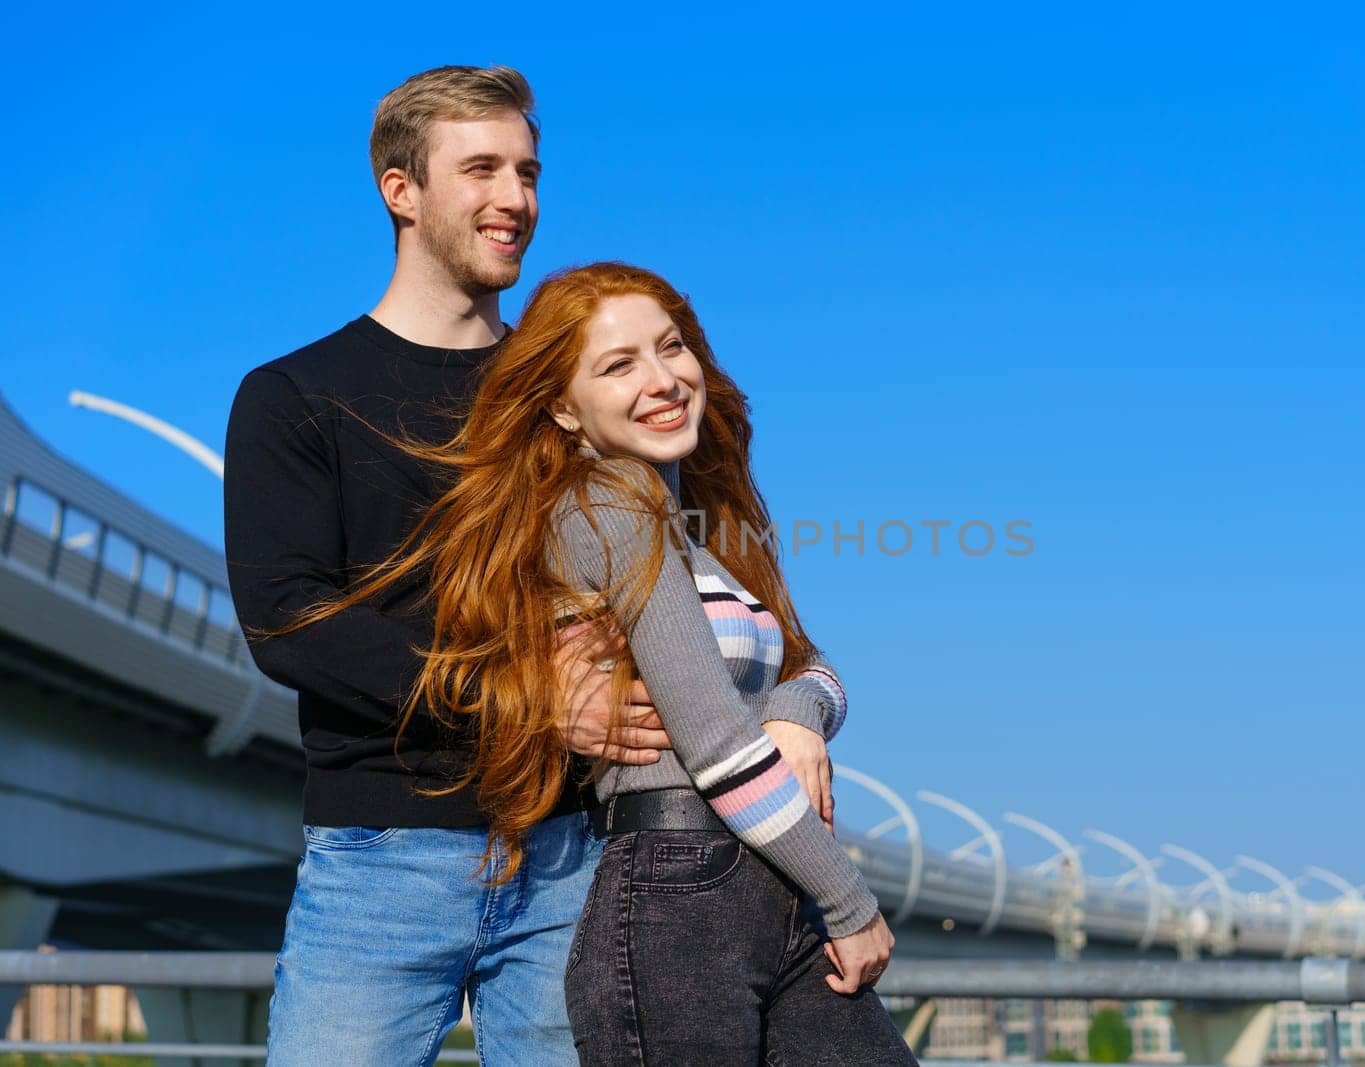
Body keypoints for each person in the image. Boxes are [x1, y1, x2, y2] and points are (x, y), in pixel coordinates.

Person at [223, 67, 848, 1065]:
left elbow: (738, 606)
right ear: (401, 190)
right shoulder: (297, 395)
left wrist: (787, 707)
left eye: (527, 170)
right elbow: (289, 619)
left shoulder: (586, 388)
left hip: (584, 858)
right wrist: (526, 696)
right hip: (381, 861)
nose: (515, 198)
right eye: (481, 169)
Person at [303, 261, 918, 1065]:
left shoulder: (693, 530)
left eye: (672, 347)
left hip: (764, 884)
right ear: (563, 407)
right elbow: (717, 743)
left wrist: (799, 714)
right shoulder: (610, 506)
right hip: (678, 896)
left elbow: (810, 663)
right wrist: (848, 897)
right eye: (620, 365)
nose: (663, 380)